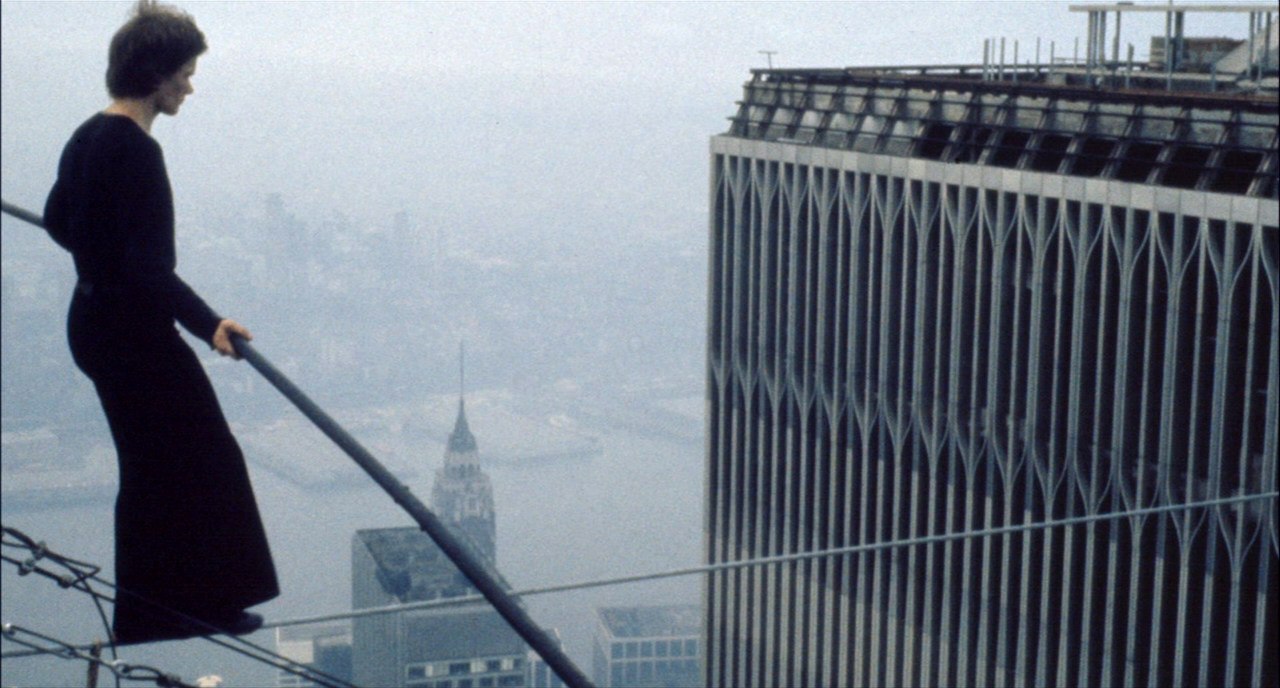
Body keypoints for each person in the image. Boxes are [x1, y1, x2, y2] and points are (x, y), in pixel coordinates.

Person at [42, 0, 279, 645]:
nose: (189, 86)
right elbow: (149, 268)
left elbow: (59, 220)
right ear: (155, 75)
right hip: (132, 333)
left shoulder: (88, 134)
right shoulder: (138, 152)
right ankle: (200, 605)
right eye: (184, 73)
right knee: (208, 458)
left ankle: (153, 612)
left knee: (150, 469)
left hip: (91, 322)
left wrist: (101, 255)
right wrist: (212, 325)